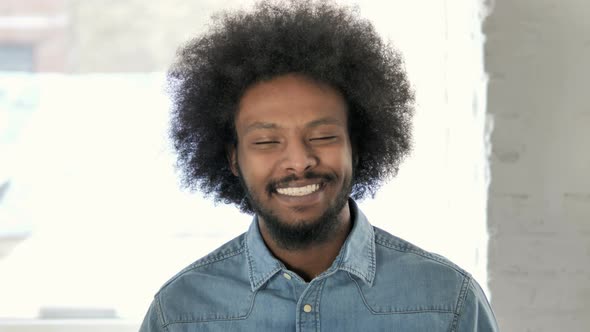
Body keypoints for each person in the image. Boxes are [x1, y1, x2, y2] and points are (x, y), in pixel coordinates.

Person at [140, 1, 499, 331]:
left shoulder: (448, 303)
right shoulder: (180, 314)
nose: (299, 161)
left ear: (356, 146)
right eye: (266, 142)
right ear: (233, 158)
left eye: (324, 136)